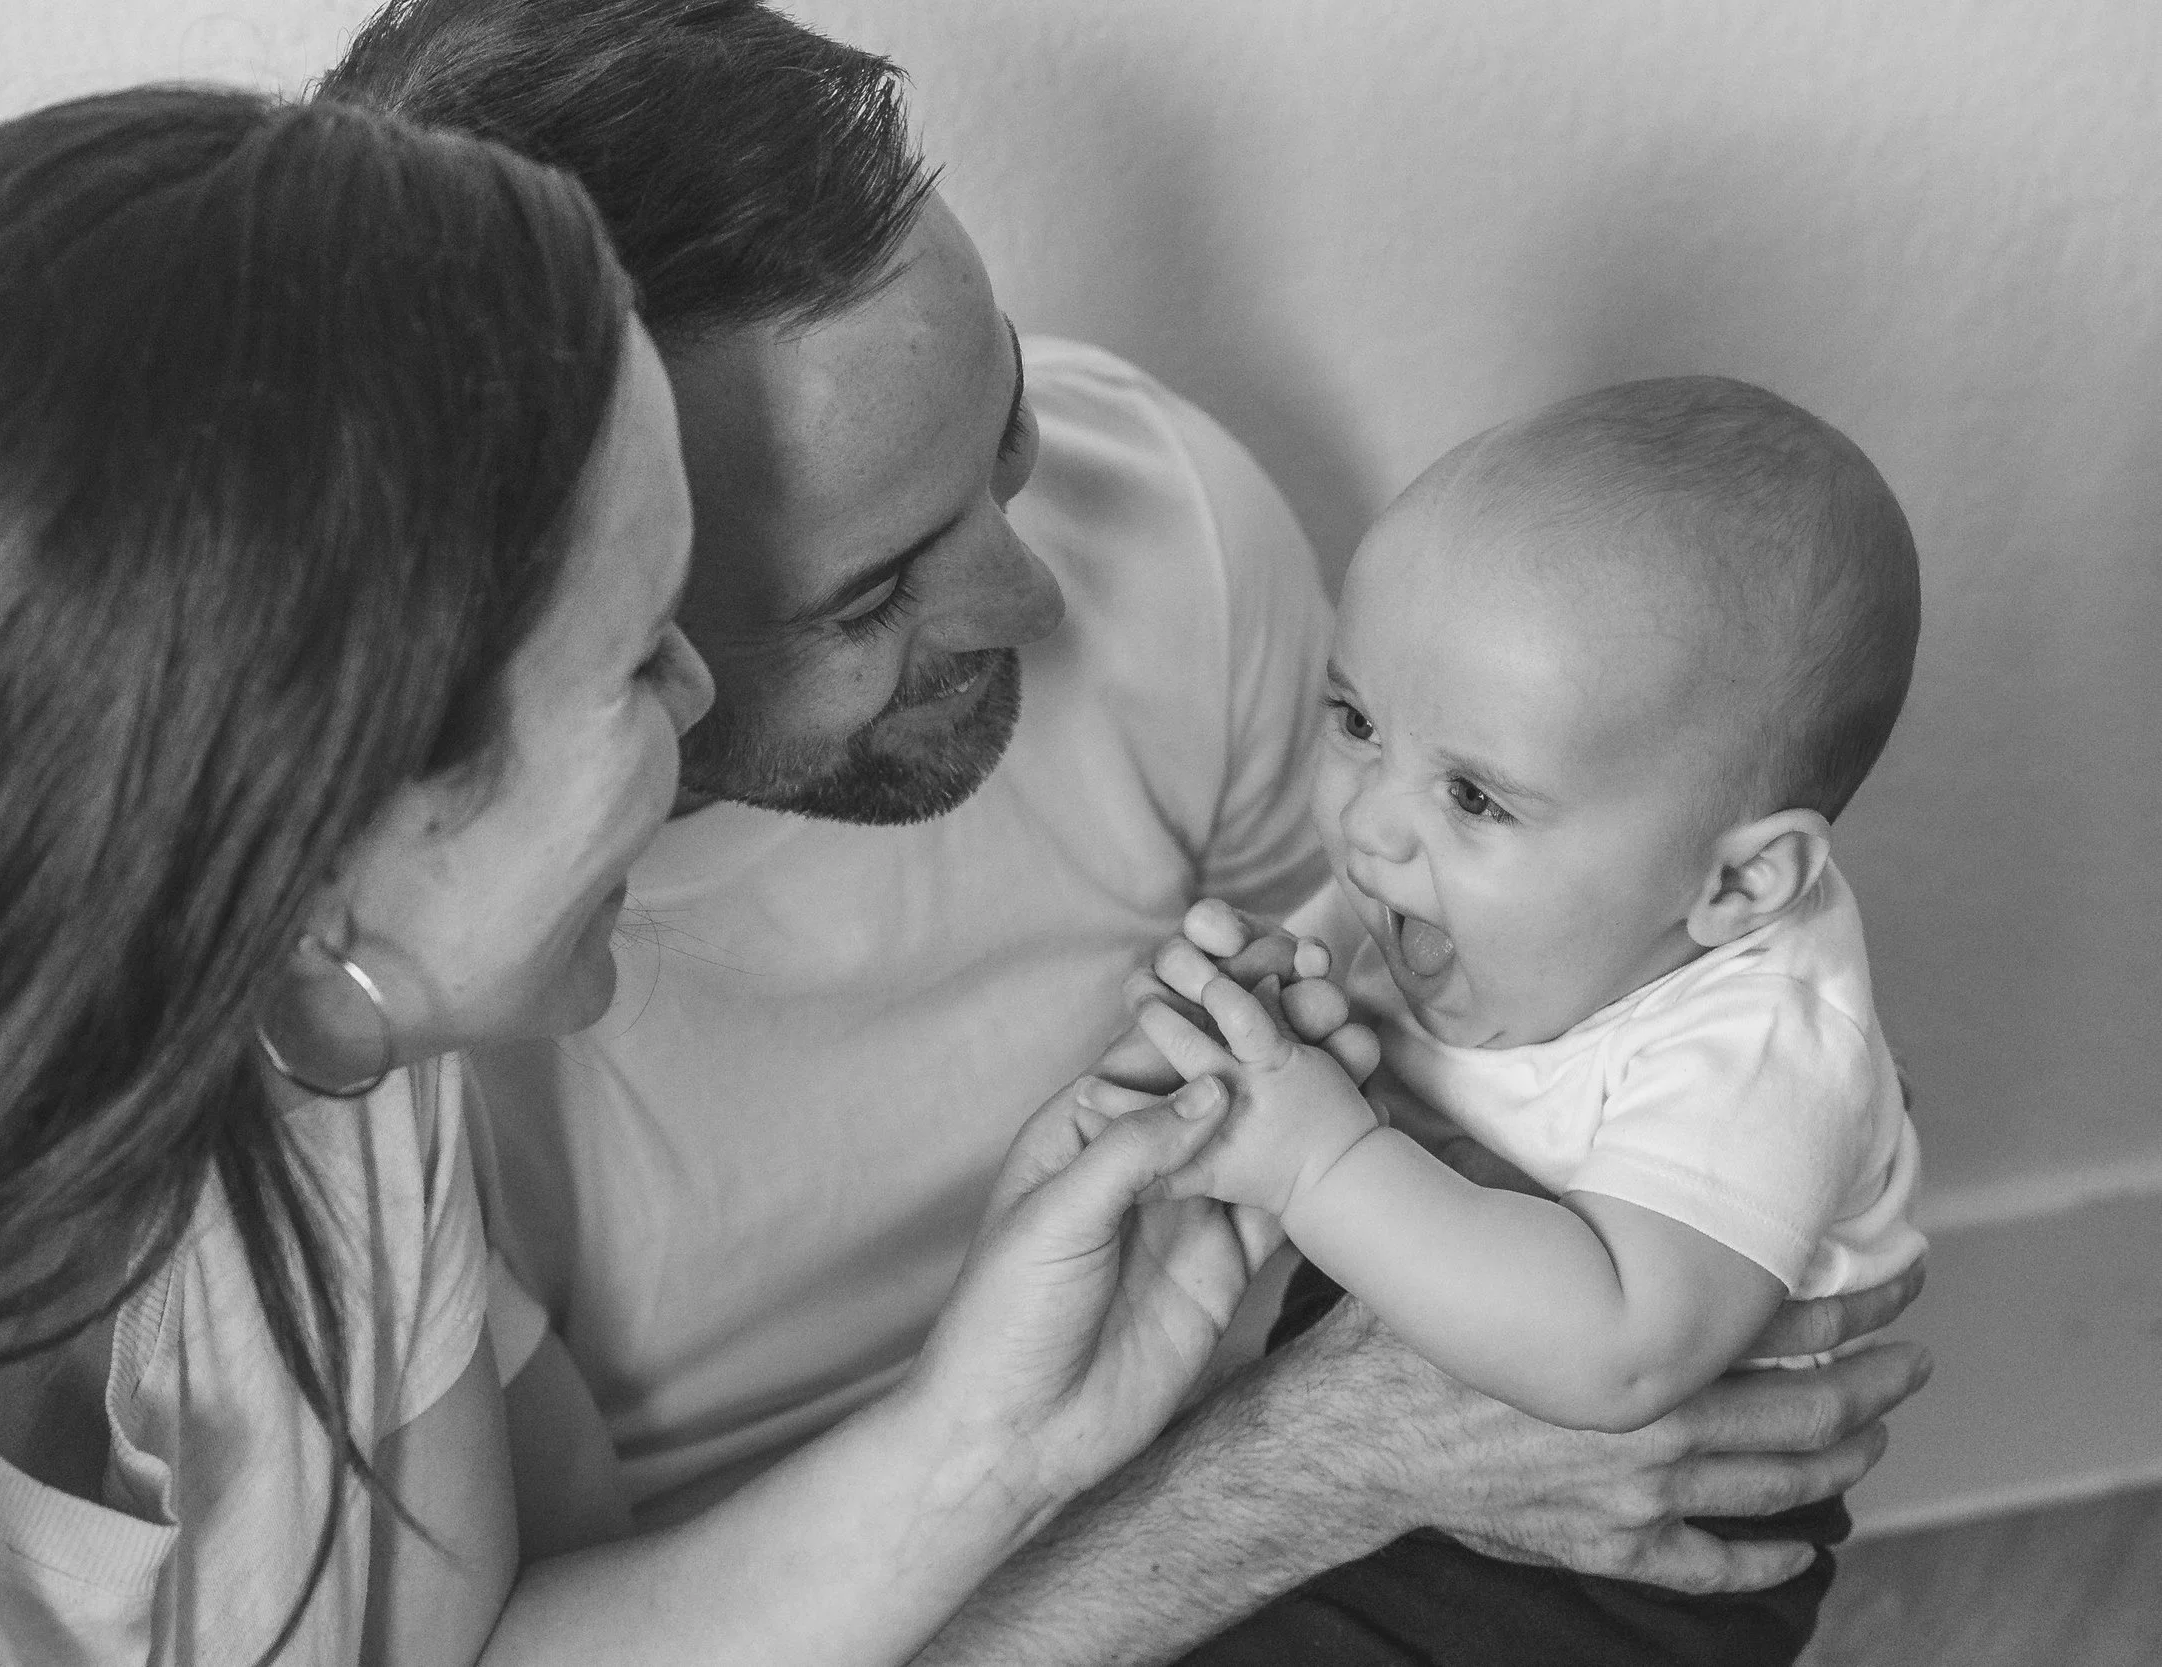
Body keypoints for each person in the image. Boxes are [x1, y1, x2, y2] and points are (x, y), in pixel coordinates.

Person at [320, 5, 1934, 1664]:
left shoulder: (1161, 511)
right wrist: (1298, 1468)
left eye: (1003, 431)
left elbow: (1483, 1025)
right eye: (869, 597)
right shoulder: (404, 986)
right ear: (592, 612)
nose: (1033, 595)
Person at [0, 86, 1261, 1666]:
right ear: (311, 824)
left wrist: (995, 1436)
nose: (700, 703)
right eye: (641, 658)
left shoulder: (321, 1043)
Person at [1114, 374, 1925, 1646]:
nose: (1370, 823)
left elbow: (1621, 1352)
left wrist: (1316, 1157)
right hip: (1383, 1366)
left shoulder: (1763, 1040)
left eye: (1475, 797)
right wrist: (1256, 1012)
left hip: (1619, 1545)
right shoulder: (1426, 882)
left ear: (1736, 883)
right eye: (1357, 720)